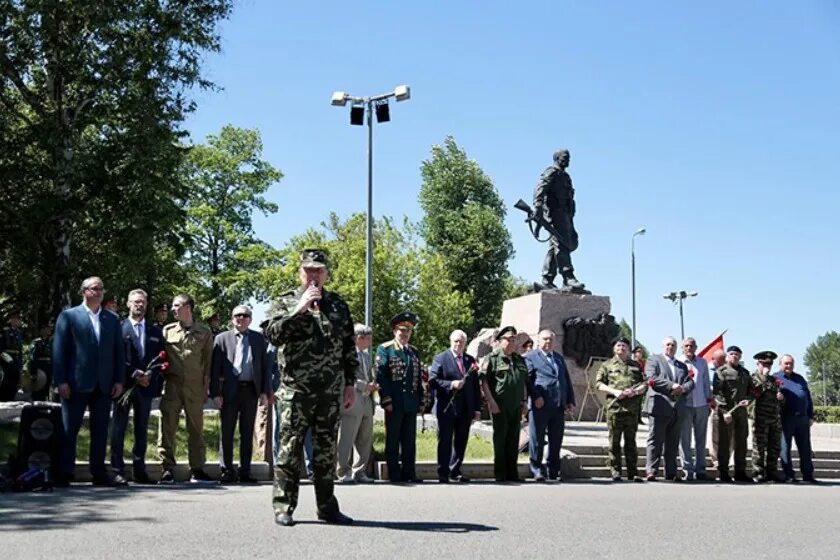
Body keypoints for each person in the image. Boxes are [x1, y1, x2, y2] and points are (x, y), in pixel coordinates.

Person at [264, 249, 357, 526]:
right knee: (289, 452)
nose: (313, 276)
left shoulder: (338, 305)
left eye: (319, 270)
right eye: (308, 271)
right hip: (296, 392)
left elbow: (348, 347)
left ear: (326, 274)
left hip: (329, 392)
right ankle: (283, 507)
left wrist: (350, 384)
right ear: (299, 273)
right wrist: (299, 309)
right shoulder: (285, 302)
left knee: (325, 453)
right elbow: (272, 334)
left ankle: (327, 507)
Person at [52, 277, 125, 486]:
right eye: (94, 289)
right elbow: (59, 351)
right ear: (84, 291)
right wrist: (61, 381)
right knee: (69, 430)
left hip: (104, 385)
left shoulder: (111, 319)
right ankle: (65, 471)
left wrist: (119, 380)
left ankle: (98, 472)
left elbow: (118, 352)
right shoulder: (69, 316)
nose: (99, 292)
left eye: (101, 289)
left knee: (100, 430)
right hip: (75, 384)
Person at [210, 305, 272, 484]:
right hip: (229, 391)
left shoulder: (259, 339)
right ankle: (227, 470)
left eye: (245, 316)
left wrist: (264, 392)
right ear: (232, 318)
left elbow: (265, 368)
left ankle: (245, 470)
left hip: (250, 391)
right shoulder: (222, 339)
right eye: (237, 315)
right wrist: (215, 393)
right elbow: (214, 369)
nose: (241, 318)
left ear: (250, 319)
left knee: (247, 433)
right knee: (227, 431)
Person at [110, 289, 165, 485]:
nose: (139, 305)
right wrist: (134, 373)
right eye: (135, 302)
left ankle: (140, 471)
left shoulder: (155, 332)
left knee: (141, 430)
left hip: (146, 387)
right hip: (123, 387)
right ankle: (117, 470)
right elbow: (114, 357)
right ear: (128, 304)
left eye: (142, 302)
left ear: (146, 305)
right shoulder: (118, 328)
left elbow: (161, 359)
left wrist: (151, 374)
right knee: (119, 429)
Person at [157, 294, 214, 484]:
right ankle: (167, 468)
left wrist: (205, 388)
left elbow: (208, 364)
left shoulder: (204, 332)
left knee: (196, 428)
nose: (172, 309)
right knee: (167, 427)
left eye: (176, 306)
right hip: (172, 386)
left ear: (188, 307)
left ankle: (197, 468)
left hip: (195, 387)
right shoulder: (167, 331)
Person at [376, 312, 425, 483]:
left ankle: (409, 473)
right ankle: (394, 474)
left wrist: (421, 401)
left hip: (410, 403)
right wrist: (386, 399)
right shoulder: (386, 349)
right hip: (394, 403)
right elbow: (382, 376)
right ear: (394, 331)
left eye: (408, 331)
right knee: (393, 440)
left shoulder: (413, 352)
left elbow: (418, 378)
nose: (405, 334)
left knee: (409, 441)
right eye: (401, 331)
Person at [429, 330, 481, 483]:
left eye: (461, 342)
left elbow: (475, 387)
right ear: (451, 341)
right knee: (445, 440)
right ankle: (443, 472)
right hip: (447, 407)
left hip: (465, 408)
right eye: (456, 341)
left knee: (461, 441)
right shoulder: (441, 358)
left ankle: (455, 470)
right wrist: (451, 384)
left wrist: (477, 408)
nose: (458, 344)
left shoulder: (469, 360)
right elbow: (433, 380)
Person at [524, 329, 575, 481]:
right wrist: (536, 396)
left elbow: (565, 379)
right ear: (538, 341)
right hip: (540, 404)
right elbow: (528, 380)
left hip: (558, 406)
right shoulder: (531, 357)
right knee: (537, 439)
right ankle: (537, 469)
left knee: (556, 439)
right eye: (545, 339)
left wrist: (569, 400)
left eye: (551, 339)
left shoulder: (558, 358)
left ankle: (554, 470)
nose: (548, 342)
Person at [479, 326, 528, 482]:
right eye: (508, 339)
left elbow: (523, 383)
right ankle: (500, 473)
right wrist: (491, 401)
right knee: (500, 438)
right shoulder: (492, 359)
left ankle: (512, 473)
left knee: (514, 438)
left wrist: (525, 401)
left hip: (516, 405)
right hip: (499, 404)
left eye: (514, 340)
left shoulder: (519, 359)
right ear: (500, 341)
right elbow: (484, 382)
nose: (512, 342)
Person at [532, 149, 585, 291]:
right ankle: (568, 276)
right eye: (564, 157)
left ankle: (547, 278)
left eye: (569, 158)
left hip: (565, 215)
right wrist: (537, 206)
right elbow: (540, 187)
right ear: (556, 158)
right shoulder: (552, 172)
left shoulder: (566, 177)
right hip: (555, 215)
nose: (568, 160)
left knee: (558, 245)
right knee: (561, 242)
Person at [596, 336, 647, 482]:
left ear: (628, 348)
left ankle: (633, 472)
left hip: (632, 410)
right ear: (614, 348)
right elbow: (599, 384)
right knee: (614, 441)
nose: (621, 348)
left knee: (631, 441)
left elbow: (644, 384)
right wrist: (615, 391)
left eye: (624, 346)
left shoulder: (636, 365)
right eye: (618, 345)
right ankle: (616, 471)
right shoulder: (607, 365)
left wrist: (636, 391)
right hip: (615, 408)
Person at [643, 336, 694, 481]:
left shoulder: (681, 365)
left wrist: (683, 388)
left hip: (677, 408)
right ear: (663, 346)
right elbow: (652, 378)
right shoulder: (654, 360)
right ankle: (651, 470)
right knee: (655, 439)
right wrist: (672, 386)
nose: (670, 347)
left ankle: (671, 472)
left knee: (673, 441)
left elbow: (690, 382)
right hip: (659, 405)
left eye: (673, 345)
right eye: (668, 344)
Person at [336, 324, 376, 483]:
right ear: (358, 338)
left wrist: (373, 384)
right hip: (352, 398)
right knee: (347, 436)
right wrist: (363, 385)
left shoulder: (366, 356)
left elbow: (368, 374)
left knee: (365, 436)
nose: (369, 342)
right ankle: (342, 471)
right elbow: (345, 376)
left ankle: (359, 471)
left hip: (367, 399)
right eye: (367, 339)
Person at [775, 355, 817, 483]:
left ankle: (808, 475)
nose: (789, 366)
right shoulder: (775, 378)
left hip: (802, 419)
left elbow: (807, 397)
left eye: (791, 363)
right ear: (780, 364)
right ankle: (789, 475)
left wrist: (810, 415)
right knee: (785, 448)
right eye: (786, 363)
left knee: (805, 448)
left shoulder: (800, 378)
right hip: (786, 418)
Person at [713, 345, 753, 482]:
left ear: (740, 356)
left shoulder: (745, 373)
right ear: (727, 356)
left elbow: (751, 391)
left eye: (737, 354)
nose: (734, 356)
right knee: (724, 442)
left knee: (741, 442)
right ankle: (723, 472)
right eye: (731, 354)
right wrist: (724, 412)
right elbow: (718, 393)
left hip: (741, 412)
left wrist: (749, 400)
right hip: (727, 412)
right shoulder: (721, 371)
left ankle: (740, 471)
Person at [679, 337, 713, 481]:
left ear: (696, 347)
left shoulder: (702, 362)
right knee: (685, 439)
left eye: (691, 346)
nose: (689, 348)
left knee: (701, 439)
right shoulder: (678, 362)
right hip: (685, 405)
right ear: (682, 348)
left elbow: (706, 382)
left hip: (701, 405)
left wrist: (709, 401)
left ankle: (700, 469)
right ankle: (688, 469)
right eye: (686, 346)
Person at [750, 351, 784, 483]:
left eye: (769, 364)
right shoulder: (753, 378)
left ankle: (772, 472)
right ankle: (758, 473)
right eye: (764, 364)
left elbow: (779, 401)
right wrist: (763, 377)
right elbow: (754, 393)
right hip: (760, 419)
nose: (767, 367)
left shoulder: (774, 380)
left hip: (774, 419)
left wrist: (781, 399)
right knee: (759, 447)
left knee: (774, 447)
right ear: (758, 363)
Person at [707, 349, 726, 469]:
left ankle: (727, 459)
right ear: (713, 359)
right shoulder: (707, 369)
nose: (722, 363)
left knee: (726, 433)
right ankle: (715, 458)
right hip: (710, 403)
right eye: (719, 361)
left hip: (724, 404)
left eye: (723, 361)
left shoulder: (726, 370)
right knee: (713, 432)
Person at [0, 309, 24, 402]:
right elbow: (1, 350)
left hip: (16, 362)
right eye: (17, 319)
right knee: (6, 383)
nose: (19, 321)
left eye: (19, 319)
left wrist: (20, 366)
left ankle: (10, 401)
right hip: (7, 362)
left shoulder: (19, 333)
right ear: (12, 320)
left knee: (14, 383)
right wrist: (8, 360)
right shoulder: (5, 332)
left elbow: (20, 351)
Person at [28, 321, 54, 402]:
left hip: (48, 368)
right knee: (38, 390)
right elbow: (33, 358)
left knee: (47, 390)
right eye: (47, 328)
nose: (49, 330)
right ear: (42, 330)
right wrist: (33, 372)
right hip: (40, 368)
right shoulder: (36, 342)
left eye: (49, 328)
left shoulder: (51, 342)